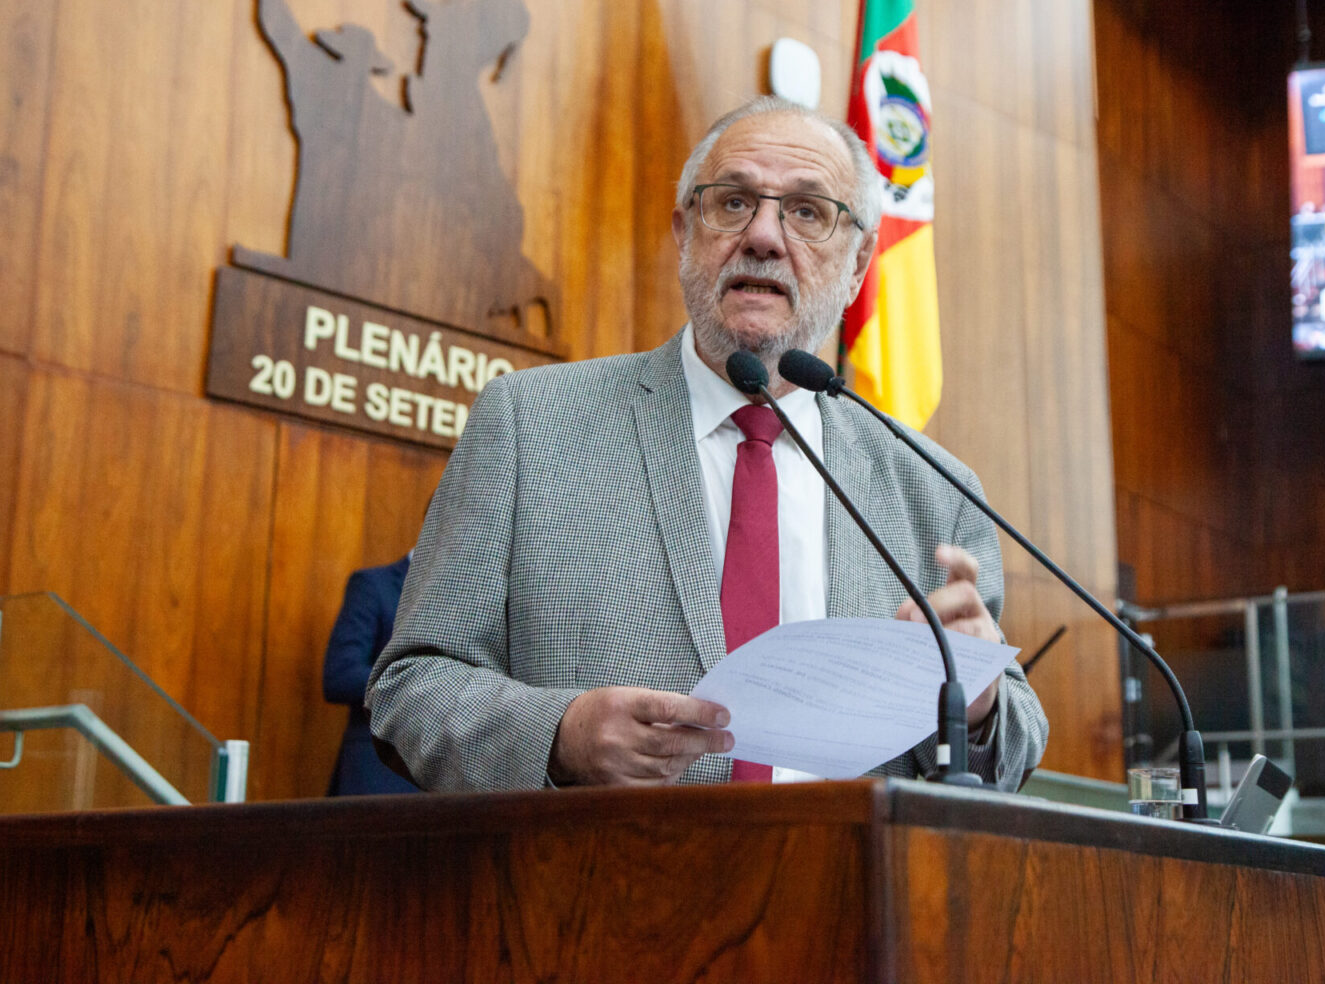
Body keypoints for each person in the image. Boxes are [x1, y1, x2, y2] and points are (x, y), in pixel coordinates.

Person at [367, 96, 1048, 792]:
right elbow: (410, 687)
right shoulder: (530, 425)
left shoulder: (933, 487)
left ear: (857, 265)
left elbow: (1015, 750)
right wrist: (558, 734)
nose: (763, 236)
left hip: (847, 892)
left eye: (808, 212)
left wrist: (982, 700)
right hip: (598, 886)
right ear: (683, 231)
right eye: (733, 203)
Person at [323, 556, 421, 795]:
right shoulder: (375, 584)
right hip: (381, 777)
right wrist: (418, 684)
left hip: (460, 783)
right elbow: (340, 675)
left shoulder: (479, 592)